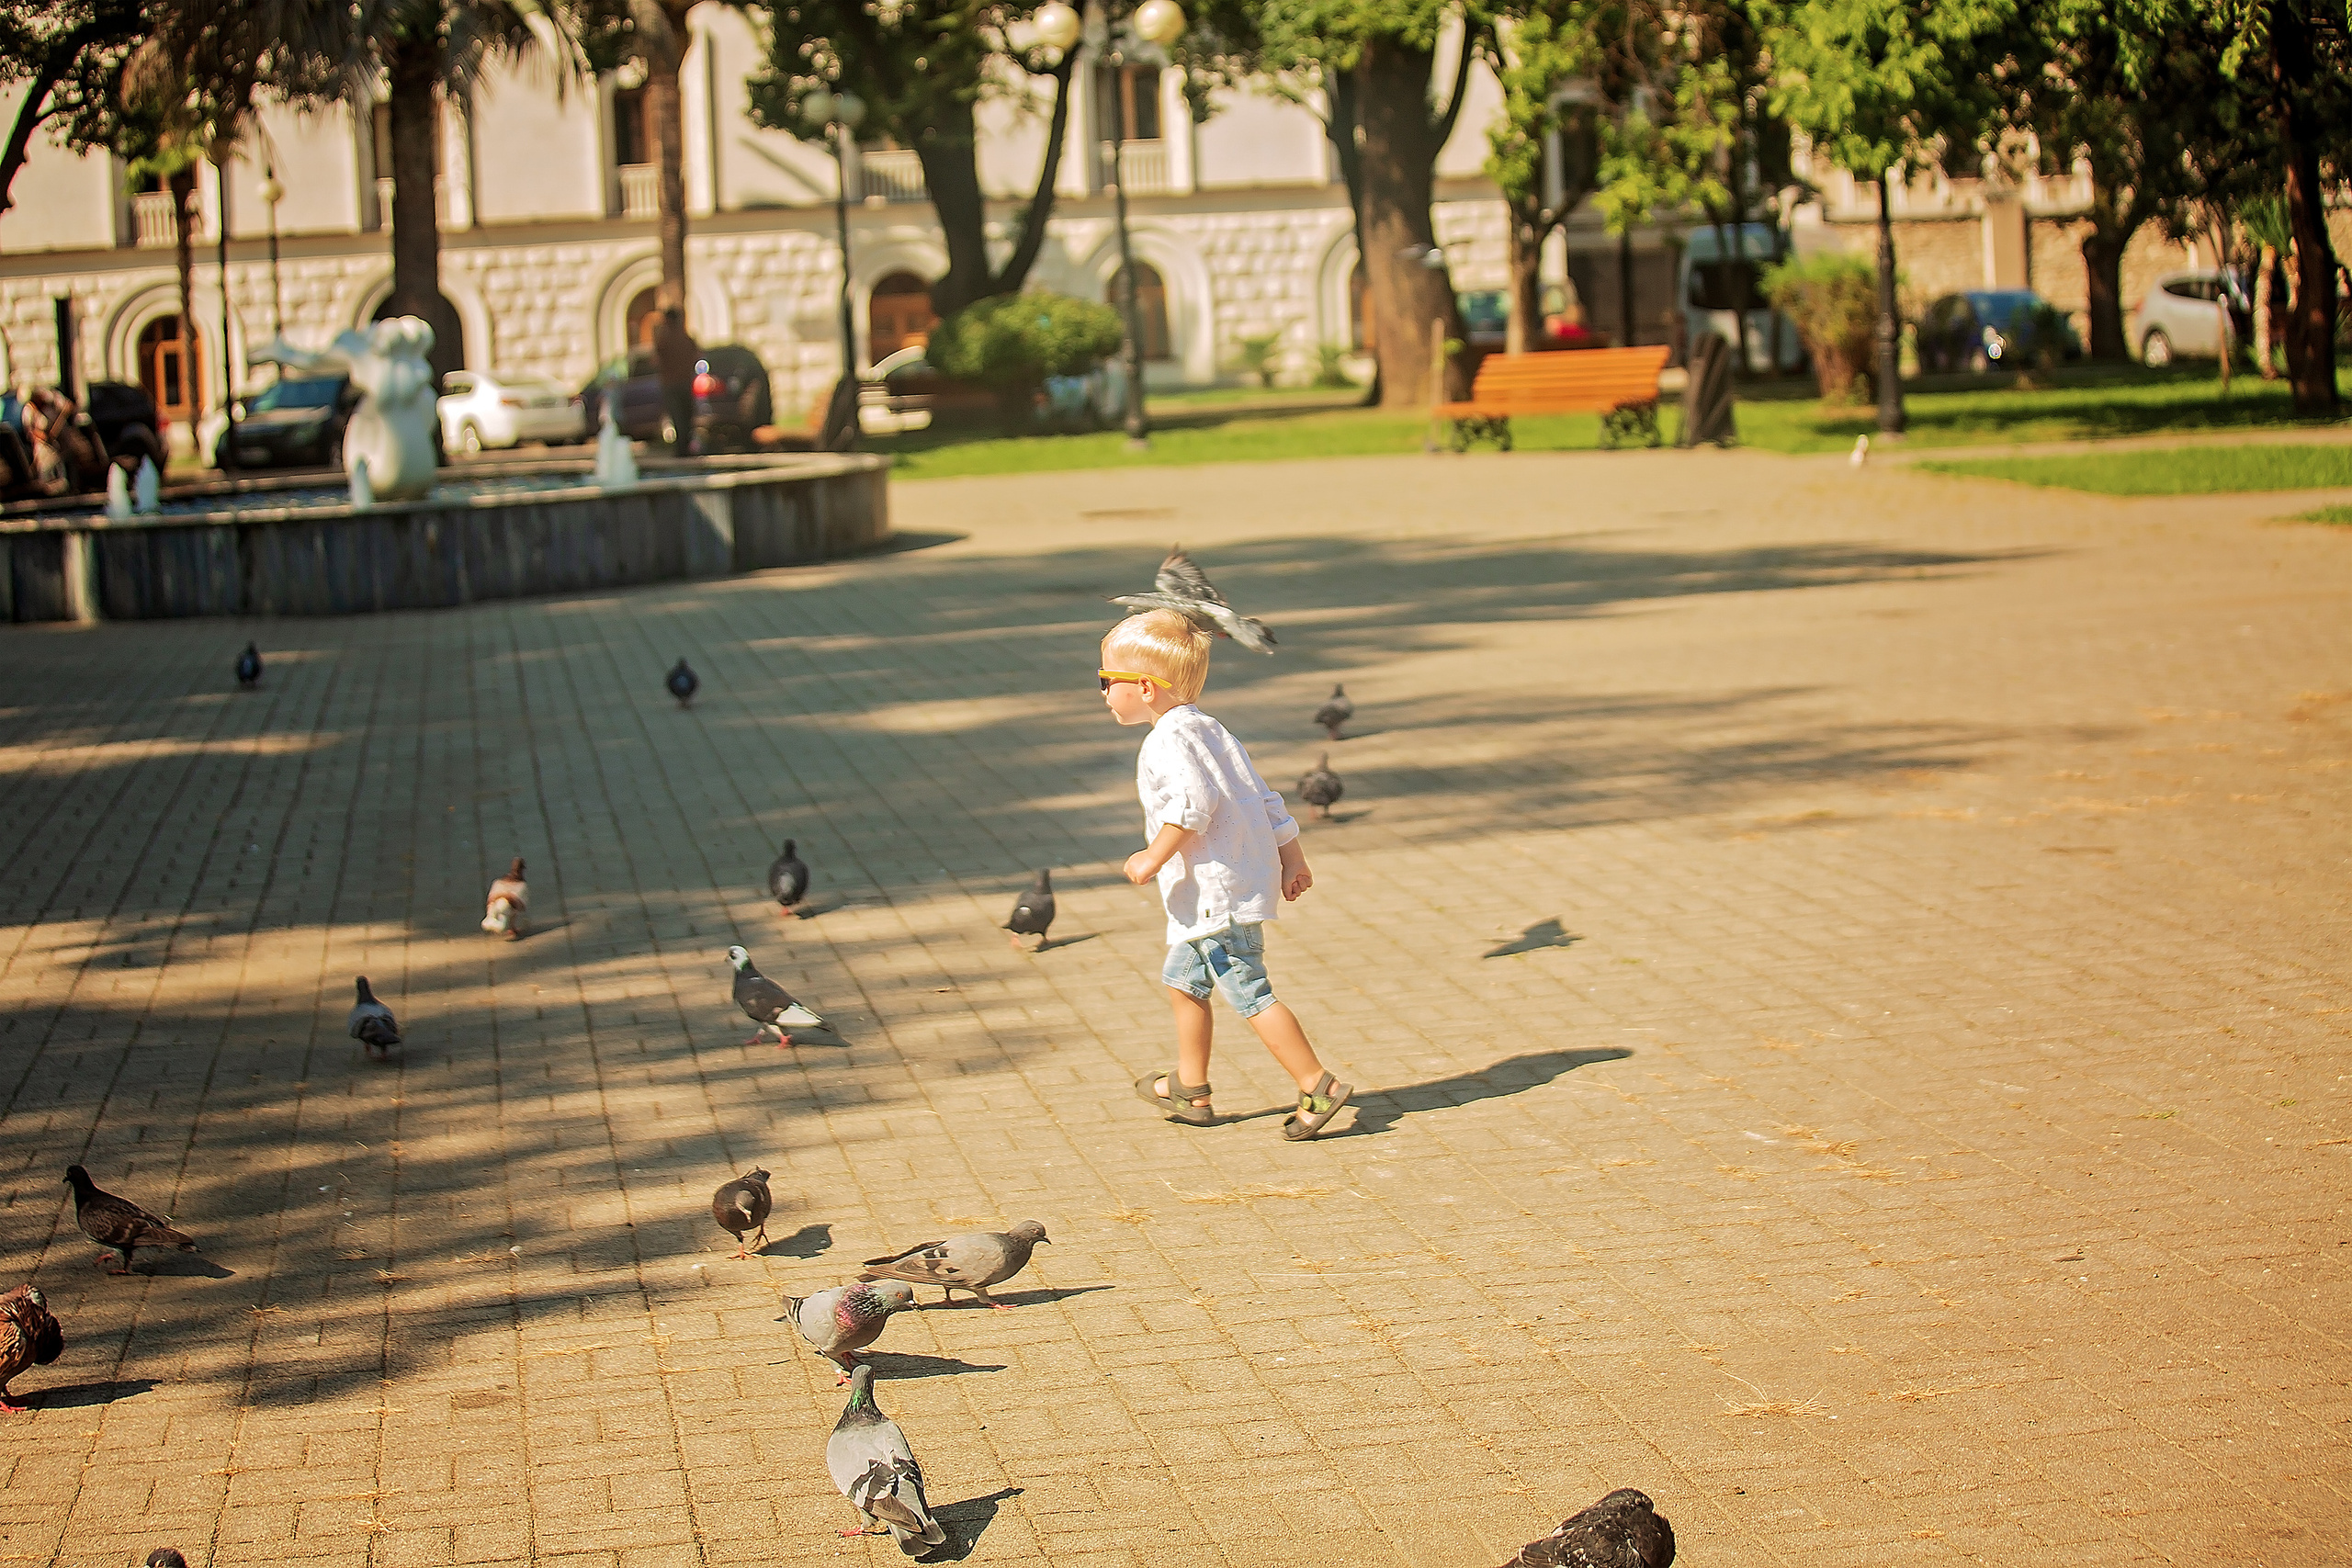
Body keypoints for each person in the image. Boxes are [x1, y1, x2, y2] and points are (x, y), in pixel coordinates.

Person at [1102, 609, 1353, 1141]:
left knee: (1249, 990)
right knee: (1182, 982)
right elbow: (1263, 798)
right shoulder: (1210, 730)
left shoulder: (1166, 742)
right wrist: (1293, 857)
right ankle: (1193, 1087)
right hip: (1221, 889)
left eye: (1107, 681)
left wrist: (1152, 855)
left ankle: (1317, 1084)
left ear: (1144, 687)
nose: (1103, 693)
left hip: (1217, 896)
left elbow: (1194, 805)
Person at [650, 297, 699, 457]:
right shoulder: (686, 338)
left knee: (678, 417)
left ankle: (681, 449)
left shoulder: (664, 340)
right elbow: (697, 355)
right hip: (686, 382)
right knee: (687, 416)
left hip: (671, 384)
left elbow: (655, 360)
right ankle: (686, 446)